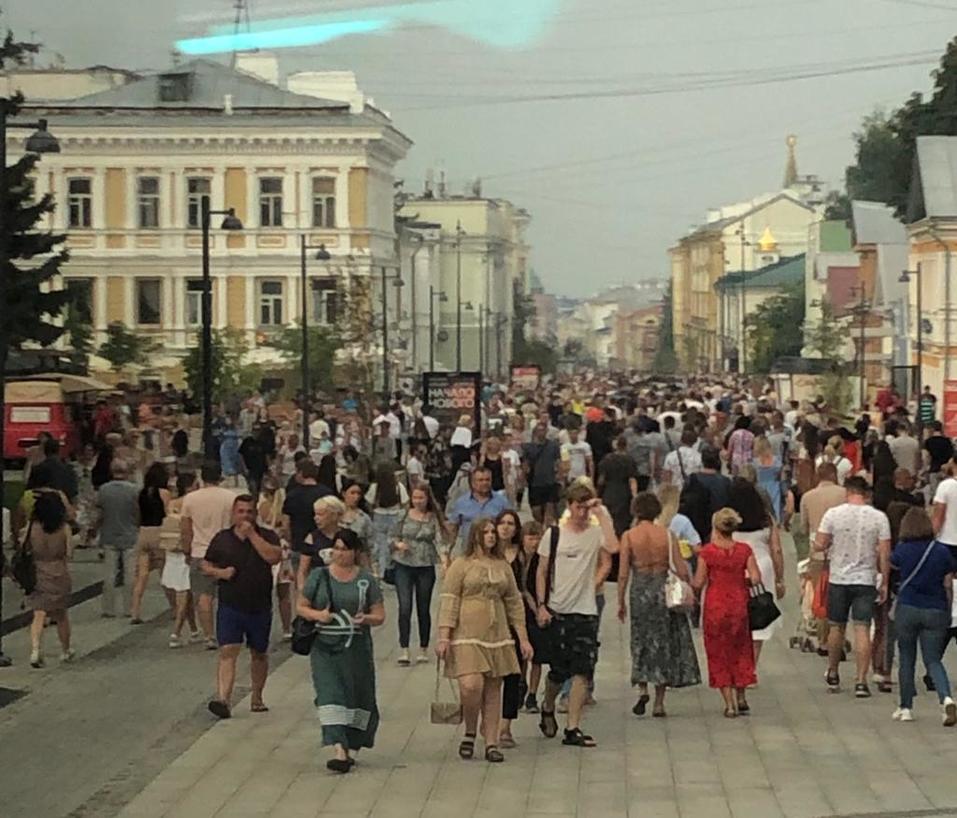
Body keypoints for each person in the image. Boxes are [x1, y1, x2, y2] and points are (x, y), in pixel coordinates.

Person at [437, 518, 532, 763]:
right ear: (475, 535)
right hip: (466, 633)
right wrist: (444, 636)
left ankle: (491, 742)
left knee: (493, 689)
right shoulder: (461, 565)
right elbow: (449, 600)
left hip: (497, 633)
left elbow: (514, 602)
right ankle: (470, 729)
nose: (491, 535)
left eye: (493, 532)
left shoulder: (502, 566)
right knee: (471, 685)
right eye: (486, 532)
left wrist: (523, 638)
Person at [535, 482, 619, 748]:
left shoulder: (595, 532)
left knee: (583, 669)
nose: (582, 513)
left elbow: (613, 548)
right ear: (569, 506)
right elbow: (542, 570)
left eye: (586, 508)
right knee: (559, 671)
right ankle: (548, 704)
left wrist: (601, 512)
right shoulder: (554, 534)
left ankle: (573, 727)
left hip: (586, 611)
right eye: (578, 507)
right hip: (559, 609)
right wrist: (541, 604)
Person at [296, 528, 385, 773]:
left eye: (345, 549)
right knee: (330, 693)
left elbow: (380, 615)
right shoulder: (319, 576)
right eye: (336, 548)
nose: (340, 554)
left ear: (355, 552)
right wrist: (318, 615)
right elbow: (301, 606)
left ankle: (352, 743)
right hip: (325, 646)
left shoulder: (366, 580)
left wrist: (366, 618)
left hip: (356, 648)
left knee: (358, 695)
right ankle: (338, 747)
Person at [617, 492, 700, 717]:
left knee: (641, 639)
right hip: (662, 590)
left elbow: (623, 574)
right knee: (662, 641)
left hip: (640, 590)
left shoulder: (629, 536)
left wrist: (620, 601)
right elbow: (681, 569)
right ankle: (659, 702)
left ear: (636, 511)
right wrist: (688, 587)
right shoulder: (667, 535)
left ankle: (642, 686)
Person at [203, 494, 282, 719]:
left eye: (249, 512)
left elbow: (274, 557)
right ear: (233, 513)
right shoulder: (222, 538)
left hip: (259, 605)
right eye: (241, 511)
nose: (245, 516)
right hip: (230, 604)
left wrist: (252, 535)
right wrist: (220, 573)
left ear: (255, 514)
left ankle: (257, 697)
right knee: (228, 650)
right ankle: (223, 699)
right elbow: (206, 564)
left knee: (259, 653)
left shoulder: (267, 535)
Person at [815, 476, 891, 697]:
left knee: (836, 626)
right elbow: (885, 553)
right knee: (862, 628)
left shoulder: (833, 514)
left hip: (838, 578)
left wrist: (821, 546)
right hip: (866, 579)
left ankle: (833, 671)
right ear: (865, 494)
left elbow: (820, 543)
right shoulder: (879, 518)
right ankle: (861, 681)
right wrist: (884, 581)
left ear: (847, 492)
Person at [891, 507, 957, 725]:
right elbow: (948, 584)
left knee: (906, 658)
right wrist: (947, 609)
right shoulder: (941, 551)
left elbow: (893, 566)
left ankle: (906, 707)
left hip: (908, 607)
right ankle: (946, 698)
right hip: (935, 609)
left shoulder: (902, 549)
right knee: (933, 659)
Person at [693, 508, 761, 717]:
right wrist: (741, 581)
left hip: (716, 605)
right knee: (741, 650)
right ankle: (741, 696)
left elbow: (699, 582)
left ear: (715, 528)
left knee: (718, 652)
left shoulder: (707, 552)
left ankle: (729, 704)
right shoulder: (744, 550)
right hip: (739, 604)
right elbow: (756, 578)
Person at [727, 478, 785, 665]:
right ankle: (751, 666)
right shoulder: (765, 519)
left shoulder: (728, 520)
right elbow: (776, 549)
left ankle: (737, 663)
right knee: (759, 616)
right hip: (762, 566)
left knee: (736, 615)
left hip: (735, 566)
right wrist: (780, 578)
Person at [181, 461, 238, 648]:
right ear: (220, 475)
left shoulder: (190, 499)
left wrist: (187, 550)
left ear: (201, 476)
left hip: (200, 550)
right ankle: (230, 632)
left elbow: (186, 529)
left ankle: (208, 636)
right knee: (229, 595)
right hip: (227, 550)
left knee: (203, 596)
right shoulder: (231, 498)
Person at [391, 485, 446, 666]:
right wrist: (398, 545)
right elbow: (392, 536)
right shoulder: (403, 515)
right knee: (404, 606)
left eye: (421, 498)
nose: (418, 501)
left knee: (423, 607)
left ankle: (423, 647)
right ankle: (404, 648)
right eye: (415, 498)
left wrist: (445, 560)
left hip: (425, 564)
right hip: (404, 563)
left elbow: (440, 539)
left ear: (427, 498)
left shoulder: (433, 518)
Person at [25, 490, 75, 668]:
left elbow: (25, 547)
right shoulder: (64, 528)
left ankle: (35, 649)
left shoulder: (32, 527)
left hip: (38, 572)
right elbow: (69, 553)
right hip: (59, 572)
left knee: (38, 613)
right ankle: (65, 650)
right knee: (61, 615)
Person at [495, 509, 526, 748]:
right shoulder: (488, 554)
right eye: (502, 523)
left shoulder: (521, 554)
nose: (506, 527)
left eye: (511, 523)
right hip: (492, 619)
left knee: (514, 673)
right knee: (493, 674)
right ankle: (491, 722)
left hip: (515, 617)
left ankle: (506, 725)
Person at [96, 460, 140, 619]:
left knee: (109, 574)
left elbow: (99, 513)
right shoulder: (134, 490)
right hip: (130, 534)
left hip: (109, 534)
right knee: (130, 574)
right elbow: (138, 512)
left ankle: (108, 608)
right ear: (127, 472)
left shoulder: (103, 490)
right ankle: (130, 608)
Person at [130, 462, 171, 623]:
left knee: (141, 575)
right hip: (159, 532)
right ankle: (175, 608)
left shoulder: (141, 493)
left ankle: (135, 611)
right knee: (165, 574)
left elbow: (137, 515)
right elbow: (168, 515)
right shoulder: (164, 493)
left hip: (143, 532)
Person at [281, 459, 332, 580]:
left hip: (299, 544)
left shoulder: (292, 495)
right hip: (324, 546)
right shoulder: (327, 493)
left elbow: (285, 524)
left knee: (301, 579)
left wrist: (290, 541)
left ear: (300, 473)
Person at [258, 475, 293, 640]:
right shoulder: (283, 508)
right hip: (283, 548)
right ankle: (287, 629)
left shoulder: (262, 506)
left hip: (265, 548)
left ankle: (262, 626)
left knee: (263, 592)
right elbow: (287, 531)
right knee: (284, 593)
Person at [446, 466, 511, 555]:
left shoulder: (502, 502)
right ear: (472, 483)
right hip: (469, 552)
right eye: (480, 480)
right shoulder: (461, 503)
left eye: (487, 480)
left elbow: (510, 526)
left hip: (494, 552)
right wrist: (448, 551)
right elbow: (453, 529)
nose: (485, 483)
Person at [366, 462, 409, 579]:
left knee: (381, 544)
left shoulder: (375, 487)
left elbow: (369, 502)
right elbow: (405, 503)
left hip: (379, 516)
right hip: (395, 516)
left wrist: (372, 512)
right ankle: (390, 568)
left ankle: (381, 570)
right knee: (392, 544)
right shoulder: (398, 486)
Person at [597, 434, 639, 538]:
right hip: (624, 494)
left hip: (609, 493)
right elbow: (632, 480)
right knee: (622, 523)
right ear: (626, 446)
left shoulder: (607, 459)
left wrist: (598, 494)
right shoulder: (629, 460)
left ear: (616, 445)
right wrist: (635, 496)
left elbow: (601, 480)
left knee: (608, 520)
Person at [523, 419, 562, 525]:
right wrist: (524, 477)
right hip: (535, 483)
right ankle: (540, 526)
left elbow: (558, 462)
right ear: (535, 432)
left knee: (549, 510)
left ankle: (548, 529)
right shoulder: (529, 447)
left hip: (550, 481)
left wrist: (560, 476)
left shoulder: (553, 446)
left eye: (543, 430)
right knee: (536, 511)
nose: (541, 432)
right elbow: (525, 464)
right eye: (539, 430)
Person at [340, 479, 374, 564]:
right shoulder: (335, 513)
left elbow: (370, 542)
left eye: (358, 493)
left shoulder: (364, 518)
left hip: (358, 560)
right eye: (352, 493)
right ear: (344, 494)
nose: (356, 497)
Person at [752, 436, 784, 521]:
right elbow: (780, 475)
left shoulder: (755, 462)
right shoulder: (777, 460)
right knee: (775, 507)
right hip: (774, 486)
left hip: (760, 486)